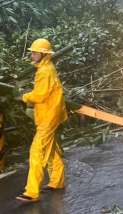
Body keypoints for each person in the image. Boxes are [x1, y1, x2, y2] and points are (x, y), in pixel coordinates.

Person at [16, 38, 68, 202]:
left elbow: (39, 95)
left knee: (36, 152)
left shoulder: (45, 71)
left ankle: (32, 192)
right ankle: (57, 181)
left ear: (43, 54)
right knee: (51, 150)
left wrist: (23, 96)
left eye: (35, 52)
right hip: (50, 114)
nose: (32, 54)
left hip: (48, 117)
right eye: (32, 51)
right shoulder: (45, 68)